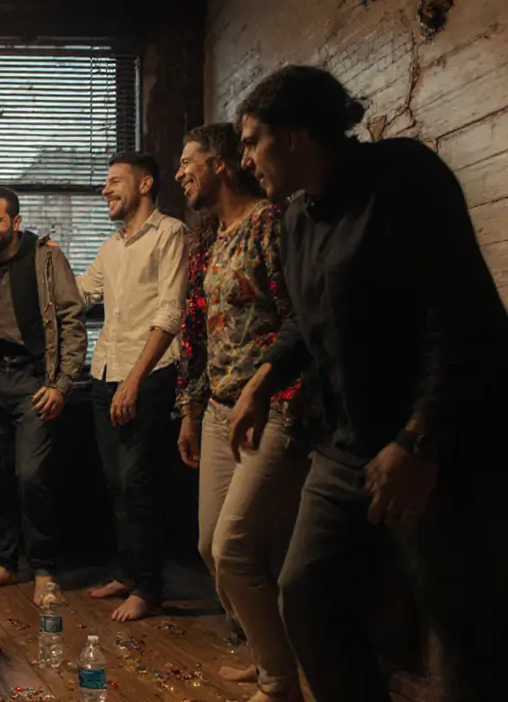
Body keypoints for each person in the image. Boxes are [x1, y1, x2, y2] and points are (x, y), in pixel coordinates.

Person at [229, 65, 508, 702]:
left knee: (466, 631)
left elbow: (460, 318)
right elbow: (304, 317)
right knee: (305, 593)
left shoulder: (404, 177)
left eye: (251, 141)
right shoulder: (297, 217)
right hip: (349, 441)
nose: (245, 160)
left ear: (296, 135)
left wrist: (418, 440)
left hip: (443, 444)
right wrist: (261, 383)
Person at [173, 123, 308, 702]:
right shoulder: (210, 240)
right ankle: (264, 655)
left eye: (188, 162)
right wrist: (189, 410)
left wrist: (264, 386)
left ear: (223, 164)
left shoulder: (271, 225)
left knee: (234, 548)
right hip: (219, 411)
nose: (181, 173)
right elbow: (196, 333)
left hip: (276, 407)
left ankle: (281, 682)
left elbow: (298, 318)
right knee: (210, 546)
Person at [0, 186, 87, 606]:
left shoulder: (46, 259)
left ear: (15, 223)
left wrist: (60, 384)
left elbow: (71, 321)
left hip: (33, 381)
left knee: (31, 476)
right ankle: (5, 562)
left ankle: (43, 569)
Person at [75, 151, 188, 622]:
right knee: (116, 484)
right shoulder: (112, 247)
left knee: (140, 484)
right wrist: (47, 265)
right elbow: (79, 296)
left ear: (144, 185)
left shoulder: (171, 234)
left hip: (148, 377)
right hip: (104, 374)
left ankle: (149, 588)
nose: (105, 190)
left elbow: (170, 313)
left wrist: (133, 383)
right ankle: (128, 571)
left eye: (114, 181)